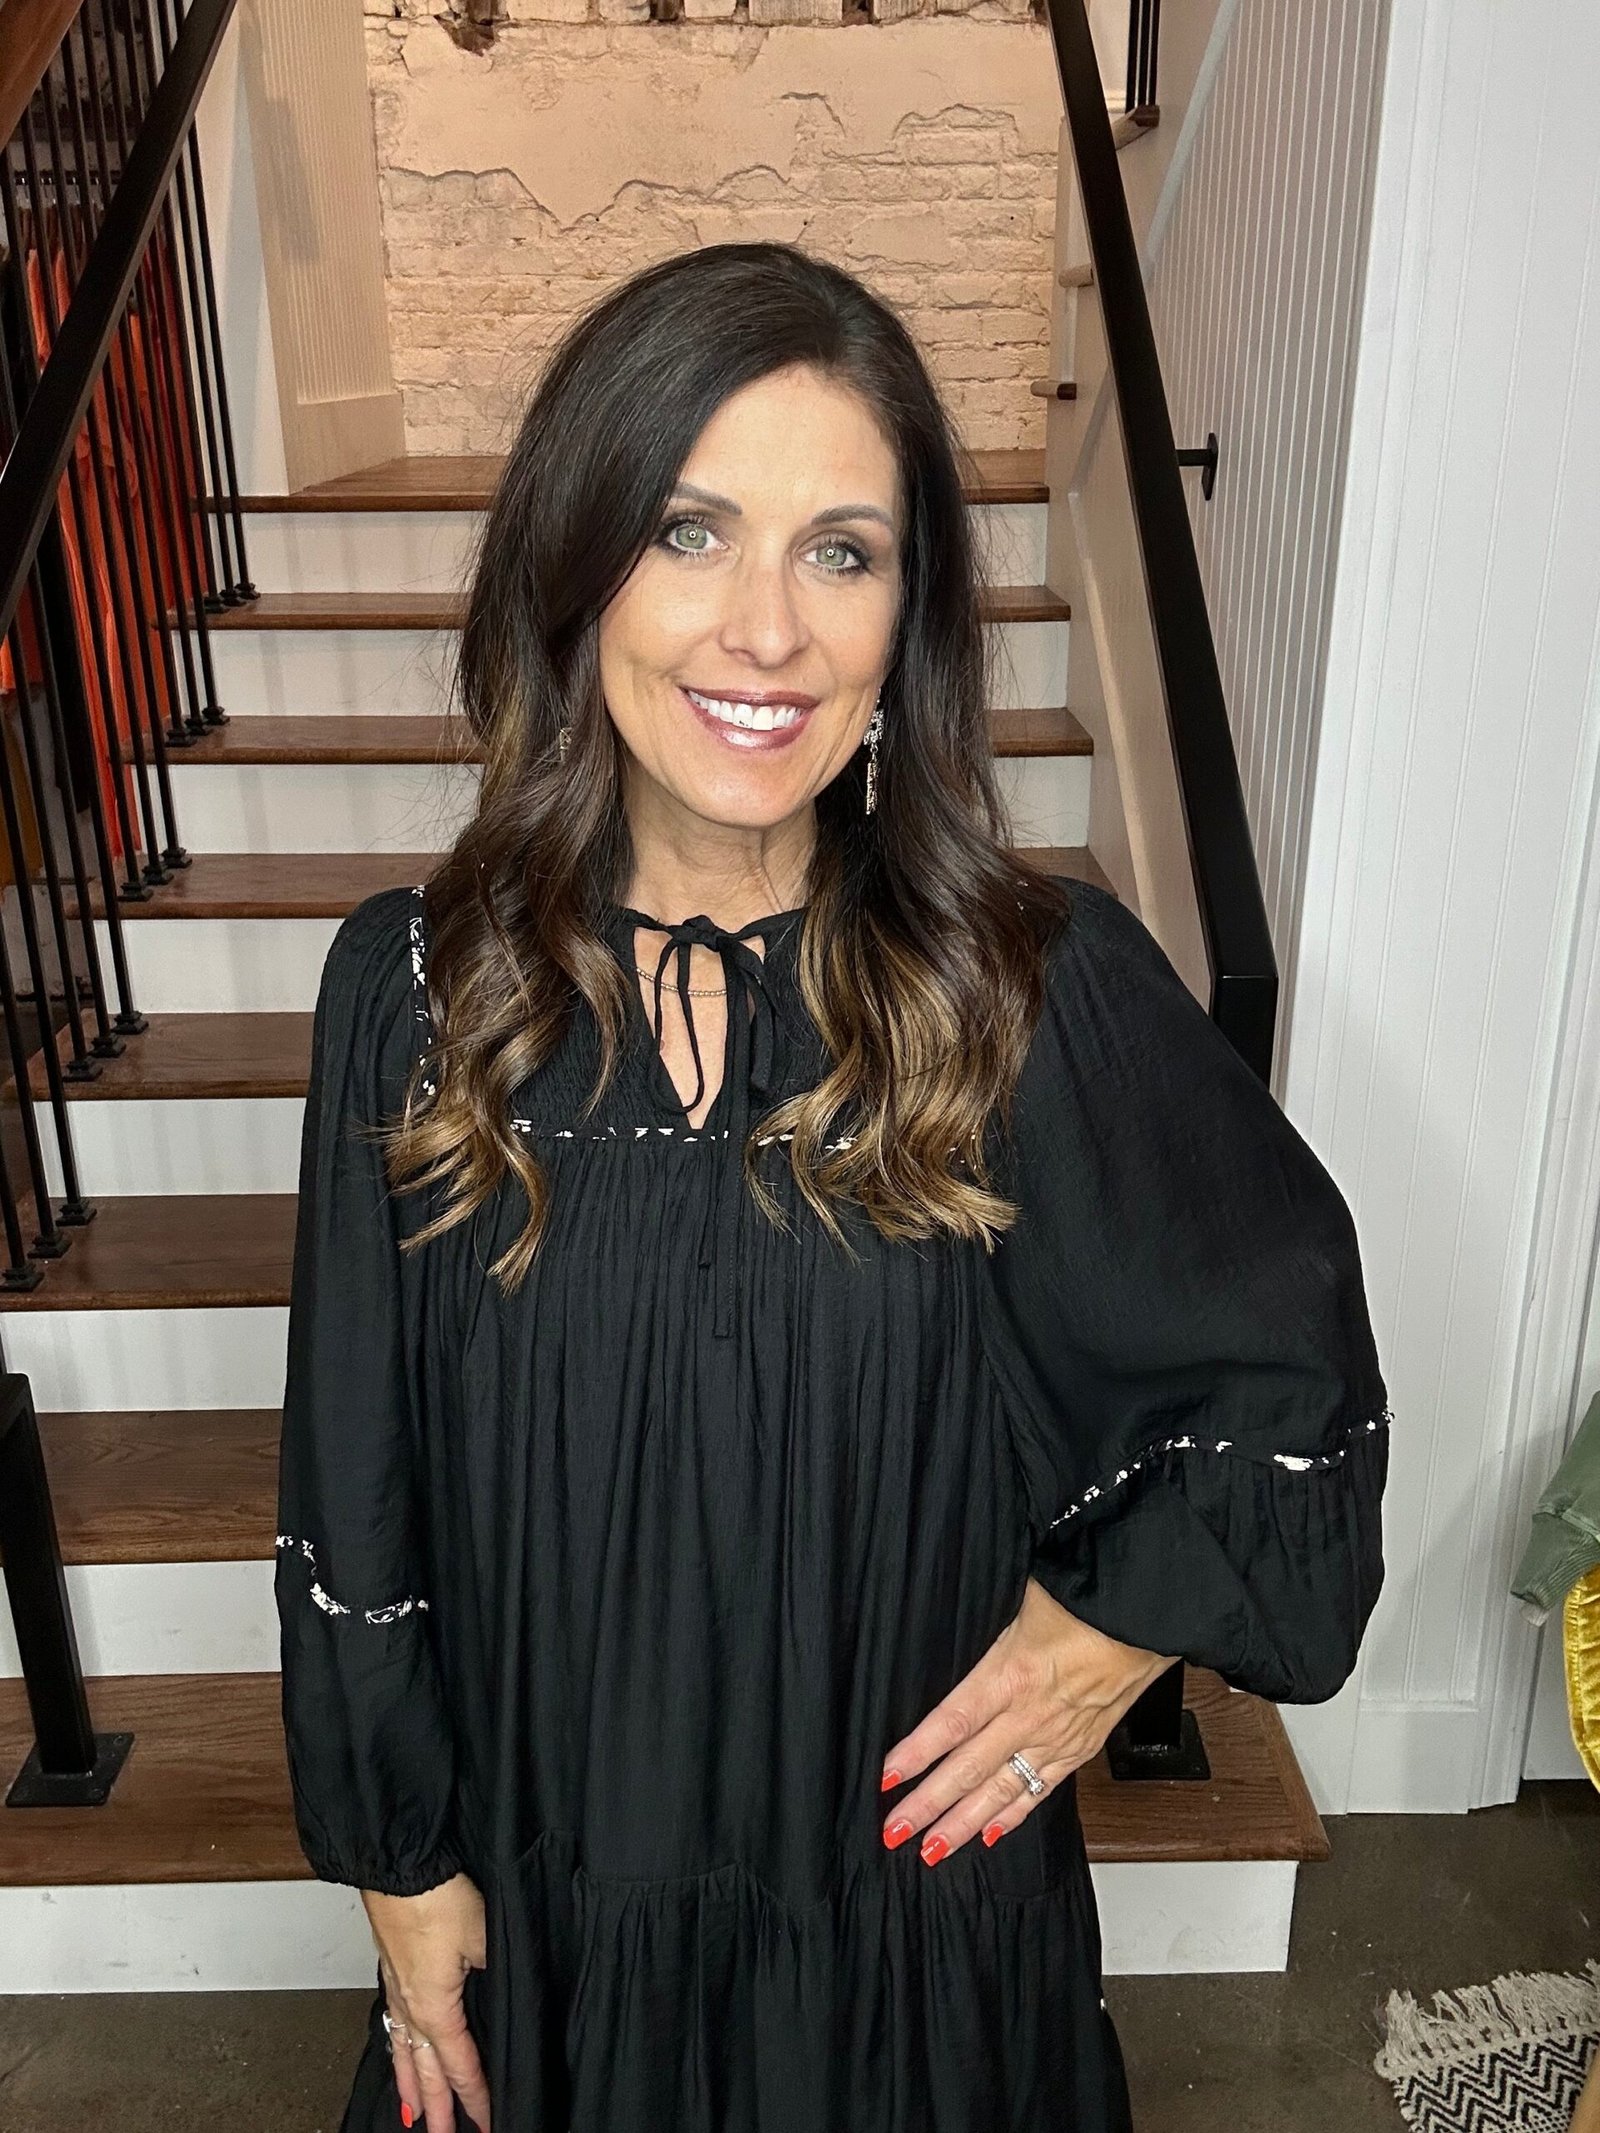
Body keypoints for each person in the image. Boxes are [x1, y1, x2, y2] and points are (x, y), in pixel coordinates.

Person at [275, 240, 1391, 2133]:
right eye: (691, 531)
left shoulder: (1029, 989)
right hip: (548, 1937)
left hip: (914, 1964)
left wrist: (1117, 1626)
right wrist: (400, 1865)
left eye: (843, 551)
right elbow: (352, 1489)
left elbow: (1292, 1381)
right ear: (577, 563)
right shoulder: (413, 994)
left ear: (906, 617)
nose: (768, 630)